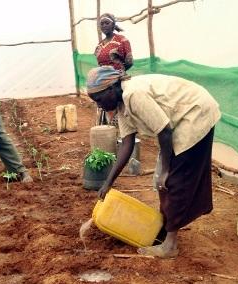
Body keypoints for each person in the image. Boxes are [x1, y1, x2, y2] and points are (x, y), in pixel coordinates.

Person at [87, 66, 221, 259]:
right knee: (162, 181)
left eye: (99, 99)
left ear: (111, 88)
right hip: (181, 119)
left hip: (195, 112)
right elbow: (127, 143)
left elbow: (164, 130)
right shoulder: (121, 104)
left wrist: (166, 170)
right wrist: (108, 183)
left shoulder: (133, 94)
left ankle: (170, 246)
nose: (99, 105)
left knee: (173, 180)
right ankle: (166, 229)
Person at [94, 13, 133, 125]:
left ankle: (123, 134)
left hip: (118, 80)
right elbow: (99, 64)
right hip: (103, 82)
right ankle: (106, 133)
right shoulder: (99, 45)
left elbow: (129, 61)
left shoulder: (122, 40)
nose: (104, 26)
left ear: (113, 24)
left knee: (120, 108)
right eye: (102, 24)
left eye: (107, 23)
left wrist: (118, 72)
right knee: (105, 107)